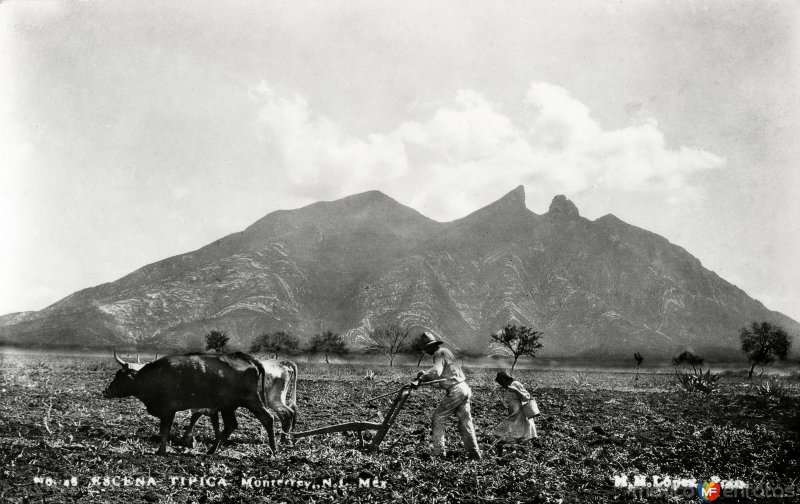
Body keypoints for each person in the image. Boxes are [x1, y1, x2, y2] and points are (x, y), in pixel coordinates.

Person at [413, 332, 482, 460]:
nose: (425, 351)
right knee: (465, 423)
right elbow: (444, 372)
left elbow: (436, 372)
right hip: (464, 388)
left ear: (430, 346)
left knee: (437, 418)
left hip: (455, 390)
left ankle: (439, 453)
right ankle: (474, 454)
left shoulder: (439, 353)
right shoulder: (446, 352)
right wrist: (424, 374)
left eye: (425, 348)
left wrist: (421, 378)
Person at [492, 371, 538, 455]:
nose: (501, 385)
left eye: (501, 382)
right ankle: (518, 450)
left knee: (507, 429)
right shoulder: (510, 386)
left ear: (504, 380)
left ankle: (518, 450)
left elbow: (526, 397)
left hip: (520, 412)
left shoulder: (515, 384)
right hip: (515, 412)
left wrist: (516, 391)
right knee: (518, 431)